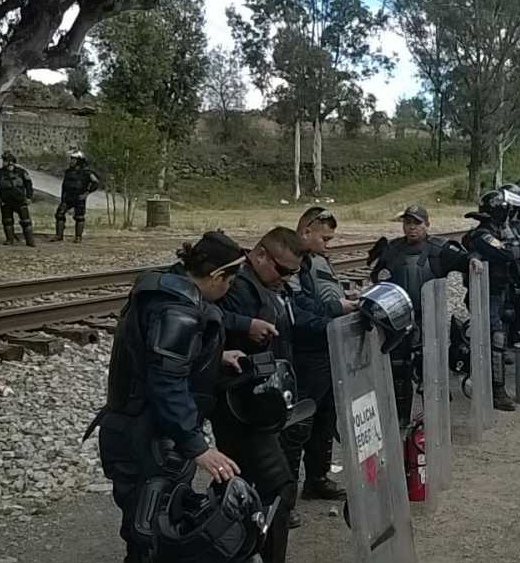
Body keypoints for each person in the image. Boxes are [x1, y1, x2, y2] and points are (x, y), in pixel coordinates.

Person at [86, 232, 247, 563]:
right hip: (145, 433)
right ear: (216, 275)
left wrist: (213, 356)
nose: (227, 290)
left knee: (151, 525)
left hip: (135, 425)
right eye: (229, 281)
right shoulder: (176, 309)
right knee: (154, 534)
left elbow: (150, 355)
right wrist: (197, 446)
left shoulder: (164, 288)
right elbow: (166, 381)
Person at [213, 226, 305, 560]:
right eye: (281, 270)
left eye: (292, 273)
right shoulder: (235, 282)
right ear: (261, 254)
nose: (285, 278)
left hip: (259, 400)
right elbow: (203, 314)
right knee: (275, 486)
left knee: (246, 486)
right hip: (238, 404)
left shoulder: (266, 283)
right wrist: (243, 325)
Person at [369, 205, 474, 427]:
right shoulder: (393, 249)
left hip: (429, 320)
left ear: (427, 224)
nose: (411, 228)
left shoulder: (440, 249)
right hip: (397, 320)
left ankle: (438, 422)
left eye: (416, 223)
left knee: (431, 371)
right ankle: (400, 420)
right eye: (407, 223)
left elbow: (465, 260)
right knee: (399, 369)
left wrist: (472, 262)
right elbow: (377, 275)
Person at [286, 208, 358, 508]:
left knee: (326, 416)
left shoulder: (312, 261)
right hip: (304, 351)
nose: (328, 244)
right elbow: (299, 306)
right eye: (324, 238)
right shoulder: (290, 262)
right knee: (300, 423)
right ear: (306, 231)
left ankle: (317, 477)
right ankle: (286, 496)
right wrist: (335, 308)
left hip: (324, 346)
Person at [463, 191, 520, 412]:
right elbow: (509, 252)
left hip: (501, 290)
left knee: (507, 332)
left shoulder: (499, 230)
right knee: (495, 340)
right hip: (487, 294)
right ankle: (496, 390)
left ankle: (492, 384)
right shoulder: (483, 234)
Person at [0, 151, 35, 247]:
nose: (4, 162)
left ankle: (30, 241)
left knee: (26, 221)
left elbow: (29, 185)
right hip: (6, 201)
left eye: (6, 160)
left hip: (20, 200)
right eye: (4, 160)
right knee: (7, 221)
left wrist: (29, 197)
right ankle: (10, 240)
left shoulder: (21, 172)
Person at [52, 149, 100, 243]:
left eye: (73, 159)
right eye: (71, 159)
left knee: (79, 217)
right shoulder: (68, 172)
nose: (71, 161)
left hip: (79, 197)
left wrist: (86, 193)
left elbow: (95, 183)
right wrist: (63, 198)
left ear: (79, 161)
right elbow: (64, 185)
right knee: (59, 214)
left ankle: (78, 237)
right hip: (68, 197)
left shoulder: (87, 172)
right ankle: (59, 235)